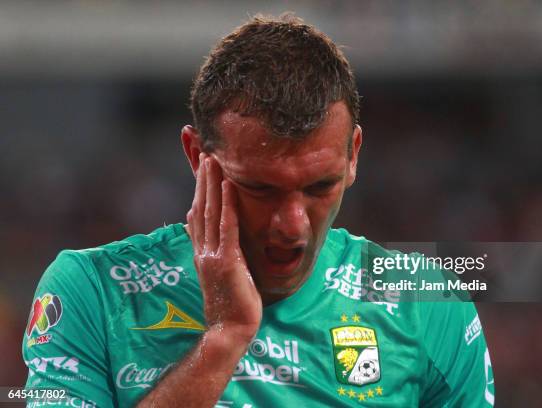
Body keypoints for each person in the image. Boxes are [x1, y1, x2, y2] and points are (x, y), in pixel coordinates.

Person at [22, 14, 494, 407]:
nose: (292, 225)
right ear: (196, 156)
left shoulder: (425, 305)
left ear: (353, 156)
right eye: (260, 188)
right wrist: (225, 337)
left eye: (319, 186)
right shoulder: (91, 291)